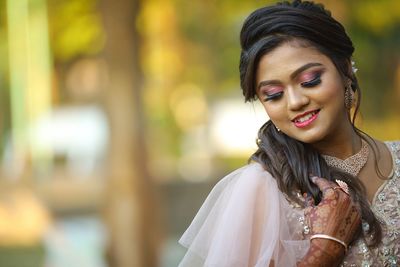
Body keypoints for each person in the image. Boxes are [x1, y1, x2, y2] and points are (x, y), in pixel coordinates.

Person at [178, 1, 400, 266]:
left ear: (345, 69)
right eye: (274, 95)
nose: (294, 102)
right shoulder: (262, 188)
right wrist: (324, 252)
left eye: (309, 80)